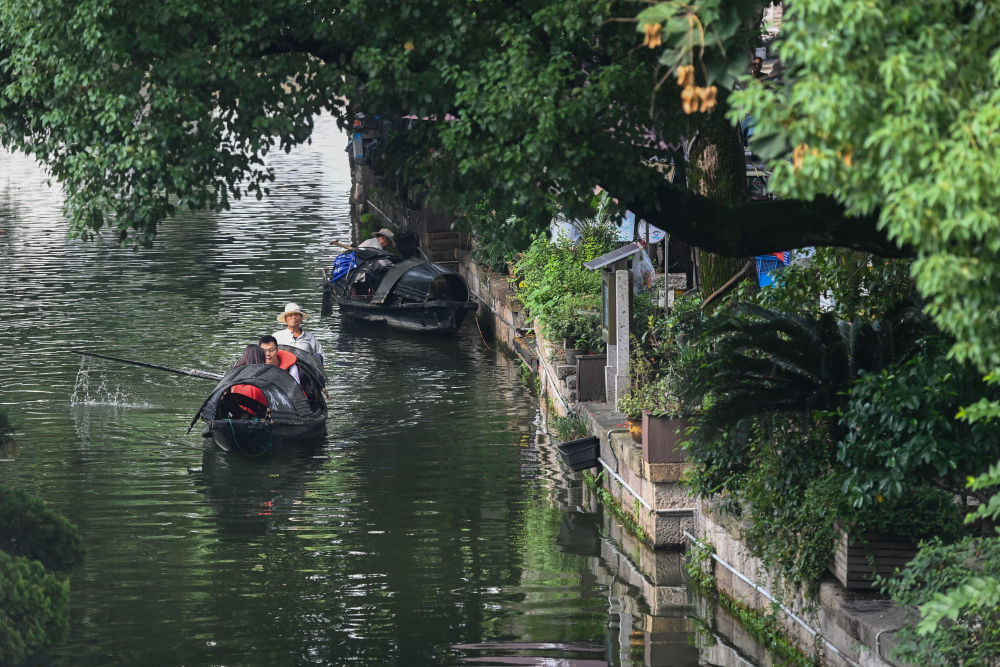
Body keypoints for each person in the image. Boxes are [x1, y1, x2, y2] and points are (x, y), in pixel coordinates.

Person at [272, 302, 324, 366]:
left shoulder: (310, 337)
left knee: (318, 356)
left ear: (301, 318)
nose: (293, 317)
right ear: (286, 319)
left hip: (304, 370)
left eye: (296, 315)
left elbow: (321, 355)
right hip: (284, 369)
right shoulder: (277, 336)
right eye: (290, 315)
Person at [227, 344, 267, 417]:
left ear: (244, 358)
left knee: (227, 398)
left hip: (238, 414)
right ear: (262, 358)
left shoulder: (234, 375)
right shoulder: (266, 376)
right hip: (259, 414)